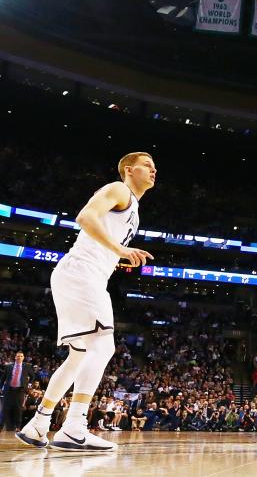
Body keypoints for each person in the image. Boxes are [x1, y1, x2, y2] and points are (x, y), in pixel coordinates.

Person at [17, 152, 156, 451]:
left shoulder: (134, 207)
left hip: (80, 274)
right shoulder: (120, 189)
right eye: (147, 165)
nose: (153, 170)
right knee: (103, 346)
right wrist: (119, 249)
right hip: (82, 274)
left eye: (154, 166)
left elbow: (99, 239)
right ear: (129, 170)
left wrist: (118, 255)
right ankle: (74, 426)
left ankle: (39, 423)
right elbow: (85, 217)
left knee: (79, 355)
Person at [2, 351, 34, 432]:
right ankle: (1, 426)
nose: (19, 357)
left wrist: (29, 384)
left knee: (18, 409)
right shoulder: (9, 366)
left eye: (21, 356)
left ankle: (18, 426)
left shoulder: (27, 366)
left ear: (23, 358)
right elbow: (3, 378)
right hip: (9, 390)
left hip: (20, 390)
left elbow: (33, 376)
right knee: (5, 408)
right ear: (15, 357)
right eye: (18, 356)